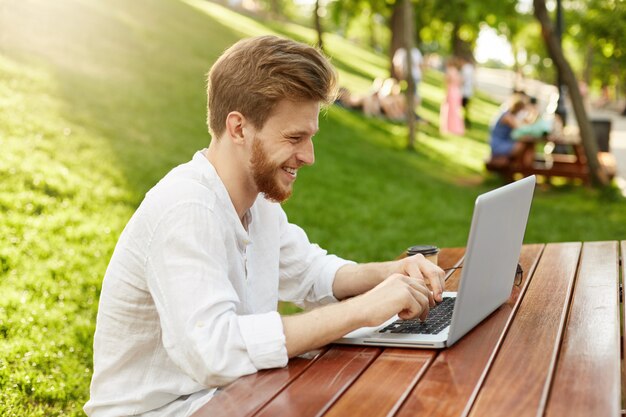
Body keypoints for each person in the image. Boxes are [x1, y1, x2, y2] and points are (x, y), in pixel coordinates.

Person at [84, 35, 444, 417]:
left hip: (234, 397)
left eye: (310, 137)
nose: (308, 156)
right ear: (238, 128)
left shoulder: (257, 201)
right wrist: (365, 310)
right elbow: (216, 353)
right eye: (294, 138)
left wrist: (394, 273)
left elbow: (311, 274)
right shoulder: (186, 208)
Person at [488, 97, 529, 165]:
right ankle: (518, 166)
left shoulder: (507, 114)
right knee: (521, 145)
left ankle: (522, 166)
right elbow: (520, 128)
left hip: (504, 141)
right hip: (498, 143)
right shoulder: (507, 116)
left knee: (525, 144)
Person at [440, 57, 465, 136]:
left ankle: (449, 127)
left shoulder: (449, 71)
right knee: (455, 111)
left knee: (449, 110)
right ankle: (456, 127)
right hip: (457, 92)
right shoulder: (457, 72)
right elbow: (461, 82)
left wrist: (446, 94)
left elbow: (447, 83)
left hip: (451, 91)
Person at [460, 57, 475, 128]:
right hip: (468, 91)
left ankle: (464, 122)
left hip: (464, 91)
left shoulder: (466, 68)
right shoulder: (471, 68)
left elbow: (463, 79)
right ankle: (465, 121)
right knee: (466, 108)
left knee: (463, 107)